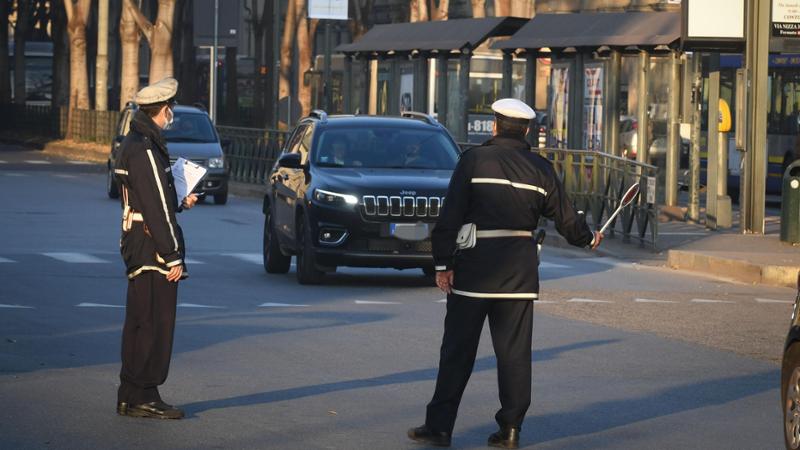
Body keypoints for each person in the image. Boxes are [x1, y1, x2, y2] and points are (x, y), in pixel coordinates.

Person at [408, 98, 603, 449]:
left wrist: (442, 265)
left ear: (495, 125)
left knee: (457, 351)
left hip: (474, 271)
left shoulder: (474, 160)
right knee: (514, 355)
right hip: (519, 275)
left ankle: (439, 428)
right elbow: (567, 219)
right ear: (526, 130)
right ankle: (511, 430)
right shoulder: (541, 169)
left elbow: (450, 215)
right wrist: (589, 238)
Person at [113, 77, 198, 419]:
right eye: (171, 108)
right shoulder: (146, 148)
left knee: (139, 320)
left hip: (140, 240)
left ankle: (130, 393)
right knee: (155, 323)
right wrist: (173, 254)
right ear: (163, 110)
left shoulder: (137, 141)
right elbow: (156, 206)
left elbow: (157, 198)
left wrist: (180, 200)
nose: (172, 113)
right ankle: (145, 393)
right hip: (151, 245)